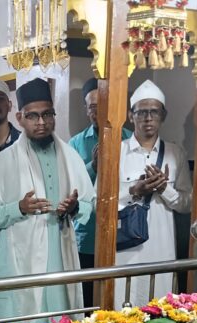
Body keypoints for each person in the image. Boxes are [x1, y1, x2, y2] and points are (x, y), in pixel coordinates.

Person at [0, 78, 95, 323]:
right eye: (33, 116)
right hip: (20, 259)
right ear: (20, 118)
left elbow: (89, 205)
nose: (41, 122)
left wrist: (74, 207)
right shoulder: (3, 162)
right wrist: (18, 208)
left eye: (47, 114)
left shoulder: (71, 157)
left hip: (60, 255)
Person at [113, 80, 192, 308]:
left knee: (160, 306)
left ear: (163, 115)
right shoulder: (117, 152)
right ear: (131, 115)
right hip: (126, 249)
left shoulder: (175, 153)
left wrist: (164, 189)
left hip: (162, 246)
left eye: (154, 112)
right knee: (123, 306)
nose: (148, 118)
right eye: (142, 112)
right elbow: (100, 202)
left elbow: (187, 204)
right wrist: (134, 191)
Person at [69, 77, 132, 307]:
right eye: (93, 107)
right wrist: (93, 167)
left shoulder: (128, 139)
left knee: (118, 297)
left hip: (124, 232)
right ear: (86, 110)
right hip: (87, 235)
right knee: (88, 300)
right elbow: (72, 185)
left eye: (103, 106)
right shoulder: (75, 144)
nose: (98, 113)